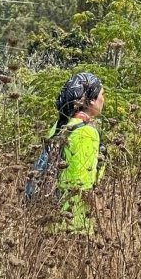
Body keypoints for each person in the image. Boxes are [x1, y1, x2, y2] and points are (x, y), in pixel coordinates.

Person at [47, 72, 105, 235]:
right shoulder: (86, 132)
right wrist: (104, 219)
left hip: (51, 220)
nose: (103, 99)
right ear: (91, 99)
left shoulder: (58, 126)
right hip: (76, 225)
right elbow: (83, 185)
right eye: (102, 94)